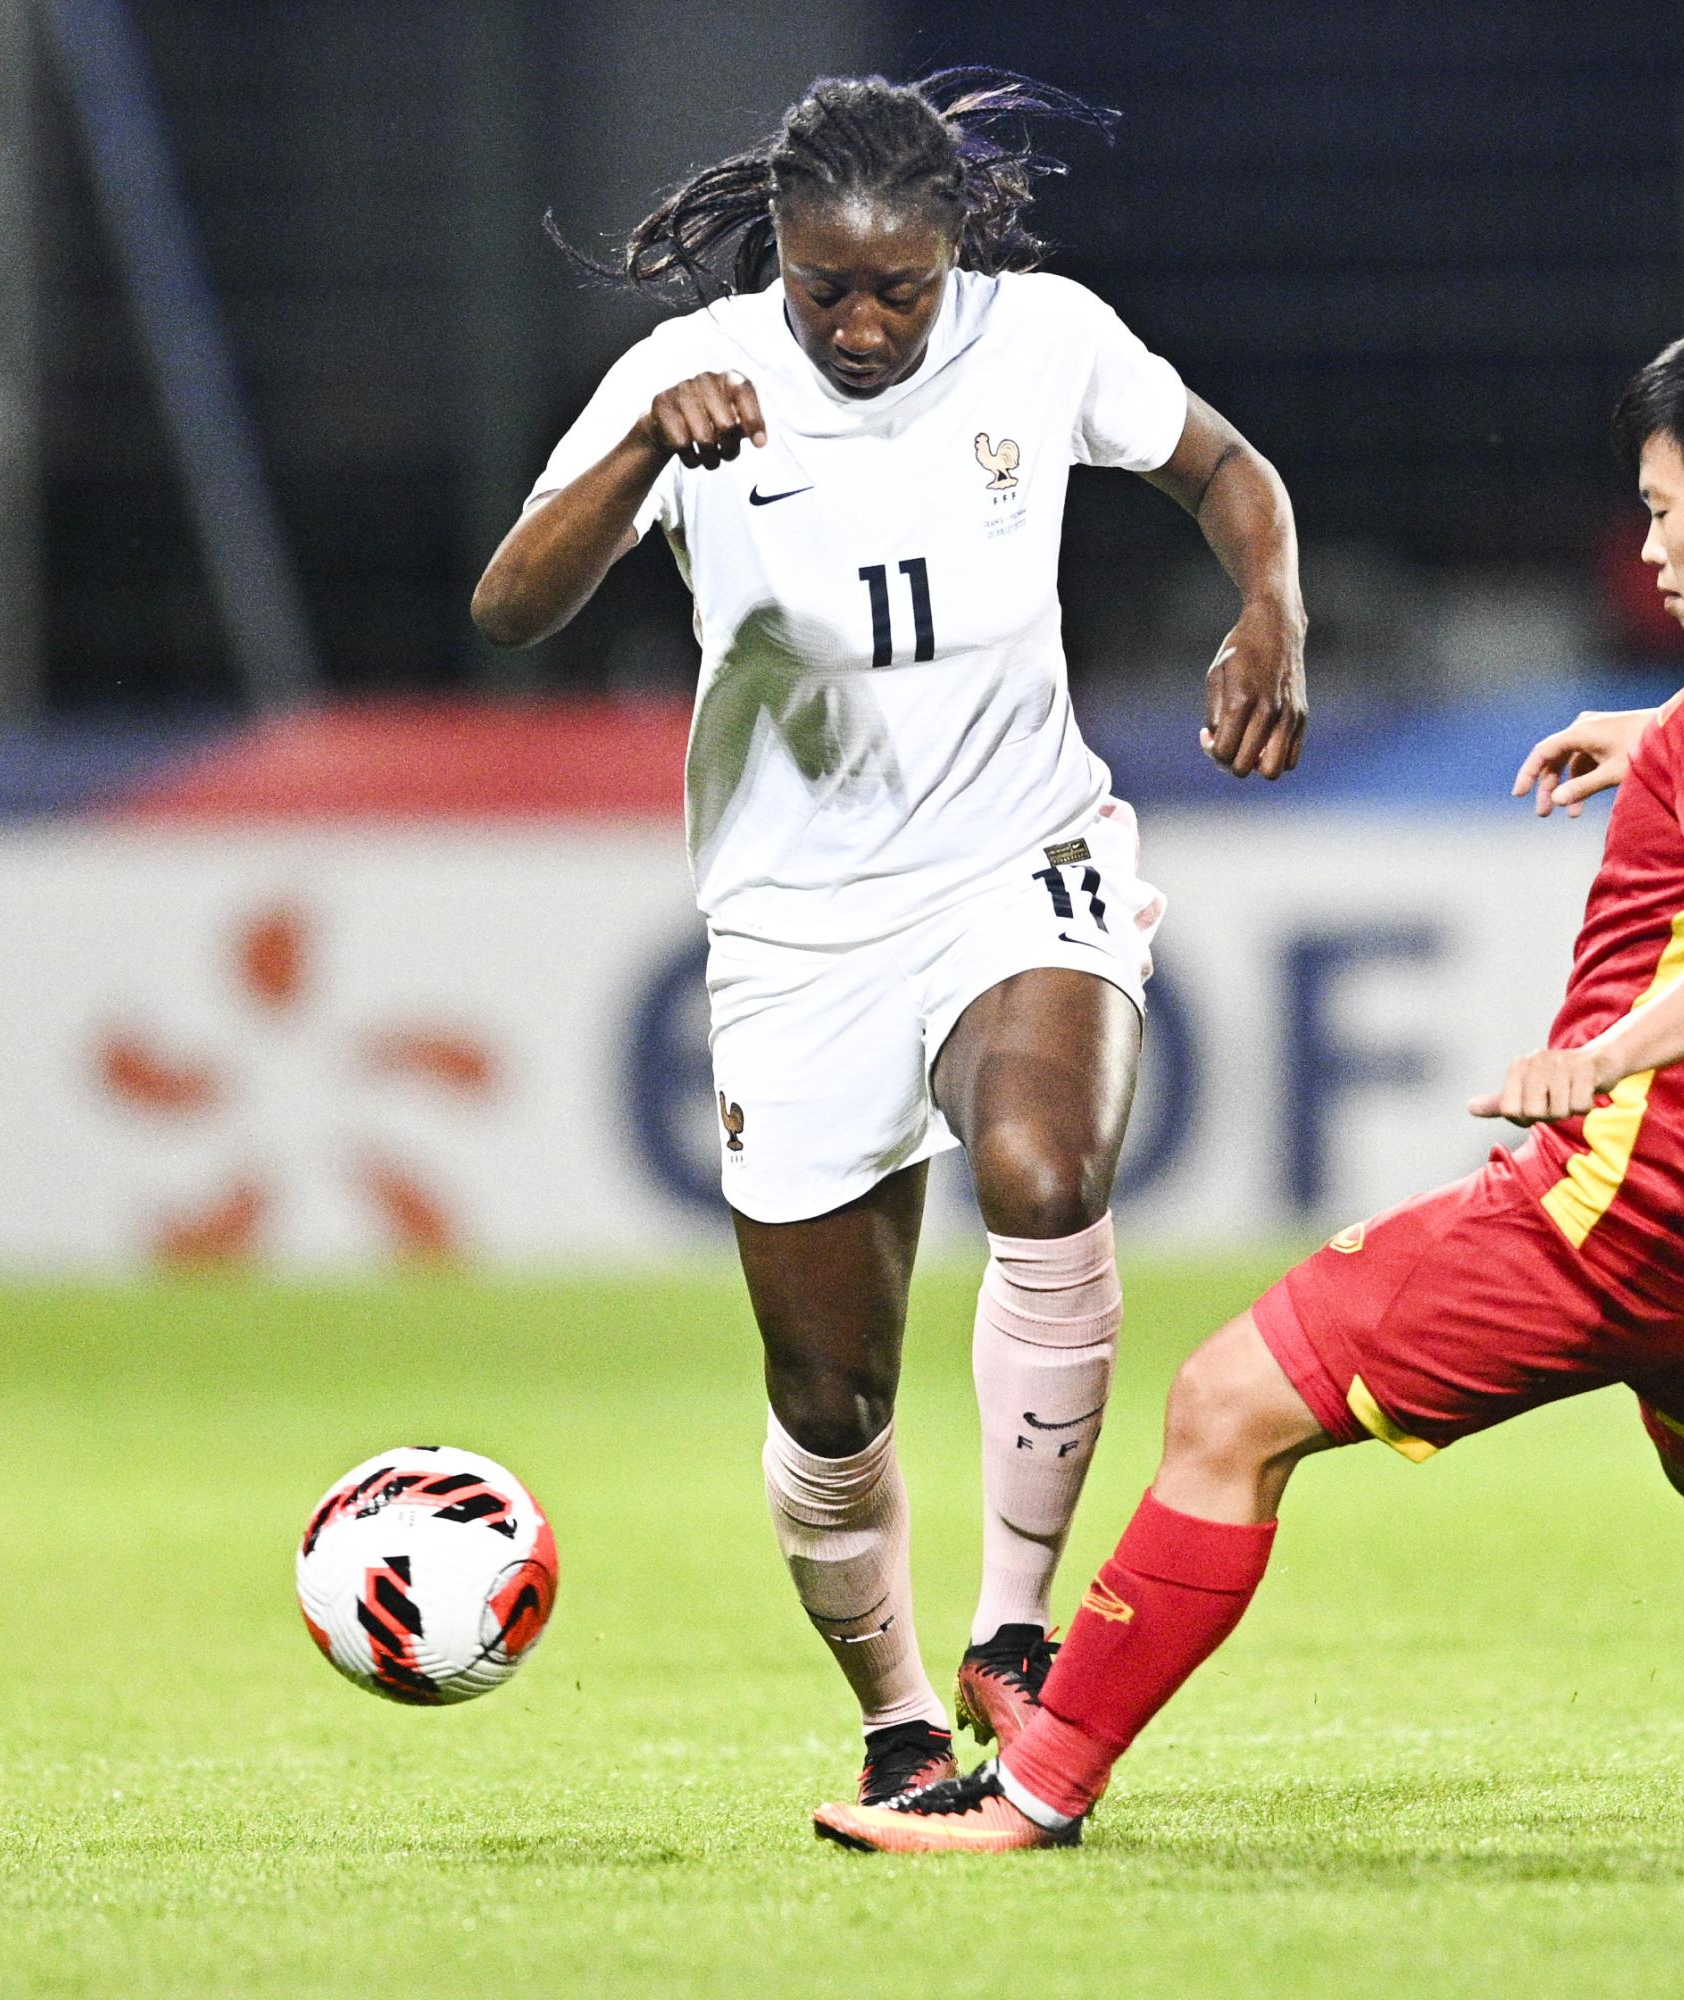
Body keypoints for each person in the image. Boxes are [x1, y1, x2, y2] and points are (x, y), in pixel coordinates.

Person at [812, 305, 1684, 1854]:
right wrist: (1668, 743)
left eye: (1668, 510)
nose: (1652, 548)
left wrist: (1602, 1054)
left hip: (1633, 1199)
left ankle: (1035, 1792)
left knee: (1222, 1408)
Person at [471, 71, 1308, 1807]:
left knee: (1043, 1165)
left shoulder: (1047, 339)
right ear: (775, 251)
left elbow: (1232, 472)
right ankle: (901, 1716)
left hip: (1021, 852)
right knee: (831, 1391)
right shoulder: (688, 382)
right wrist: (638, 449)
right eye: (824, 285)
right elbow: (510, 605)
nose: (861, 322)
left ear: (955, 252)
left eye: (899, 287)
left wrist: (1269, 608)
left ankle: (1015, 1630)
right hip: (795, 930)